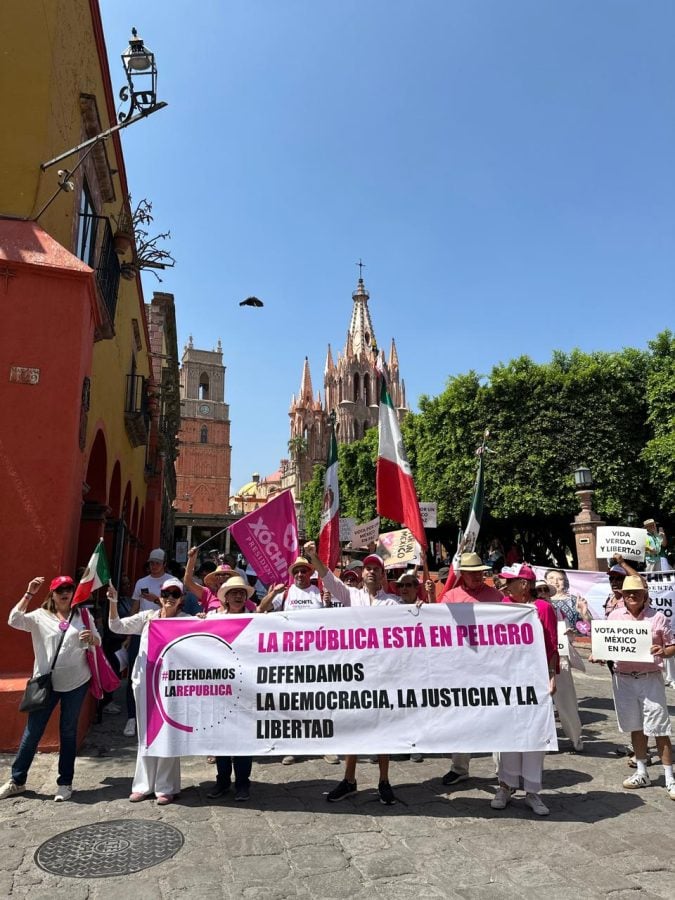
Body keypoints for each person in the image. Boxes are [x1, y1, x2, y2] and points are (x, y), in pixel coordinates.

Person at [304, 542, 401, 805]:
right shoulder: (351, 596)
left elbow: (415, 621)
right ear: (362, 573)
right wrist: (313, 557)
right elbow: (329, 578)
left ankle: (384, 781)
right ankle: (349, 779)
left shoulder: (393, 604)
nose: (371, 572)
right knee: (354, 727)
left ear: (382, 575)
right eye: (367, 568)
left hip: (382, 676)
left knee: (382, 729)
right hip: (355, 674)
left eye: (376, 569)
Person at [0, 575, 100, 802]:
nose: (65, 593)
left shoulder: (83, 616)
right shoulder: (39, 616)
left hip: (76, 682)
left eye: (69, 589)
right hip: (46, 684)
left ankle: (65, 783)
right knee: (33, 732)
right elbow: (13, 620)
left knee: (68, 731)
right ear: (52, 594)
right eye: (60, 590)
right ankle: (17, 780)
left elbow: (98, 641)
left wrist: (93, 639)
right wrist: (29, 593)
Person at [108, 576, 193, 805]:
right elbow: (116, 626)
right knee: (146, 732)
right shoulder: (148, 617)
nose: (170, 598)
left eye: (175, 594)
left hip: (172, 685)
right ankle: (143, 785)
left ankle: (166, 786)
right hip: (145, 681)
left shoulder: (187, 621)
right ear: (160, 596)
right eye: (166, 594)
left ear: (181, 599)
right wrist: (113, 602)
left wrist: (204, 619)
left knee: (168, 732)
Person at [491, 563, 558, 816]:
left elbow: (551, 644)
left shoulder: (543, 608)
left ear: (524, 584)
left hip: (535, 677)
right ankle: (505, 786)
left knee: (534, 733)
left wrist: (552, 676)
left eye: (510, 581)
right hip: (507, 677)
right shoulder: (503, 606)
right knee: (507, 732)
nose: (505, 585)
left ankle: (532, 791)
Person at [600, 576, 675, 798]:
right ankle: (642, 772)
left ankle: (670, 778)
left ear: (645, 594)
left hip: (649, 678)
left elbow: (672, 645)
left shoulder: (658, 617)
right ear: (622, 595)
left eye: (636, 592)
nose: (632, 596)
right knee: (635, 726)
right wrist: (600, 654)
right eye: (627, 593)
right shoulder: (614, 616)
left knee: (660, 728)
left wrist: (664, 651)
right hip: (623, 678)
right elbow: (607, 644)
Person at [258, 556, 336, 765]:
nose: (300, 574)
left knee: (320, 702)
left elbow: (332, 621)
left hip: (317, 657)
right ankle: (293, 747)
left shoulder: (319, 592)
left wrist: (328, 604)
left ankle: (324, 746)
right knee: (293, 702)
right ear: (293, 575)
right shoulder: (285, 593)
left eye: (304, 571)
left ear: (311, 573)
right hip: (290, 658)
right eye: (297, 572)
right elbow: (261, 610)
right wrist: (273, 593)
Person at [436, 552, 504, 786]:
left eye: (480, 573)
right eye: (471, 573)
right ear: (462, 574)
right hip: (461, 666)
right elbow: (438, 626)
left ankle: (503, 771)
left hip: (491, 664)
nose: (477, 576)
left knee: (496, 716)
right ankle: (459, 767)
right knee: (460, 717)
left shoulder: (496, 596)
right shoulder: (451, 596)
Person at [206, 576, 257, 802]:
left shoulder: (255, 620)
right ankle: (223, 781)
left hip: (246, 687)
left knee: (243, 737)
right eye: (234, 592)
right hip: (220, 689)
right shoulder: (212, 619)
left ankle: (243, 783)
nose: (238, 596)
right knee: (221, 736)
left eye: (242, 593)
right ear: (225, 598)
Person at [544, 569, 591, 635]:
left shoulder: (575, 601)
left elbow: (587, 630)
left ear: (565, 582)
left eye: (560, 579)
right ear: (545, 581)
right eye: (551, 578)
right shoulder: (540, 601)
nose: (555, 582)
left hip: (571, 639)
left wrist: (584, 615)